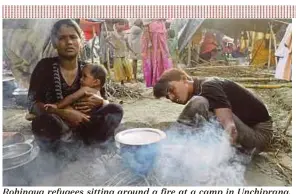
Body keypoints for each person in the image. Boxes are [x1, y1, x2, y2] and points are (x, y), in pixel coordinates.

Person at [27, 19, 123, 149]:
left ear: (81, 41)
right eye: (62, 38)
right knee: (42, 122)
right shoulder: (44, 67)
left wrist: (101, 102)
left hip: (87, 126)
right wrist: (64, 113)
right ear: (55, 43)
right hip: (60, 129)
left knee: (115, 110)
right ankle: (58, 159)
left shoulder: (89, 69)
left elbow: (104, 99)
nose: (69, 42)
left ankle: (97, 149)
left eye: (73, 37)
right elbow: (32, 103)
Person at [153, 68, 273, 154]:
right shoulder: (201, 89)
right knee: (201, 113)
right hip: (247, 130)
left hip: (259, 136)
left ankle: (175, 142)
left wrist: (214, 159)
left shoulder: (208, 86)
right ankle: (177, 143)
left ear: (184, 79)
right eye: (168, 97)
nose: (172, 97)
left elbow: (230, 128)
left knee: (199, 103)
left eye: (171, 90)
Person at [44, 64, 108, 110]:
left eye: (84, 76)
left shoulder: (86, 89)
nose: (80, 79)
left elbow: (72, 97)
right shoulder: (99, 95)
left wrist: (57, 106)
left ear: (96, 82)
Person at [141, 19, 172, 87]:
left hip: (161, 40)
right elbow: (146, 29)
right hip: (153, 41)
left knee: (163, 58)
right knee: (154, 59)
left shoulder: (162, 22)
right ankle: (154, 80)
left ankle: (162, 79)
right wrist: (149, 41)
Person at [106, 20, 136, 85]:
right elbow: (107, 39)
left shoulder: (124, 33)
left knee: (127, 67)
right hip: (117, 54)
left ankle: (128, 79)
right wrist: (113, 45)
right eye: (120, 24)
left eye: (123, 24)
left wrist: (132, 51)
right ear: (116, 25)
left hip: (124, 53)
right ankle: (122, 82)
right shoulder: (113, 33)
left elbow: (127, 43)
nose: (122, 26)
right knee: (120, 69)